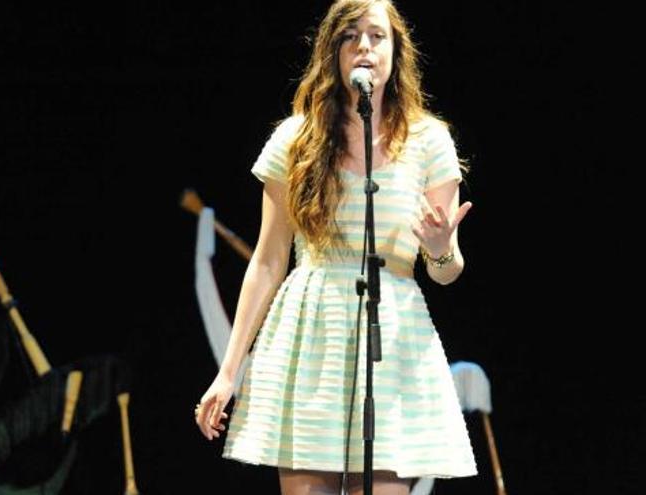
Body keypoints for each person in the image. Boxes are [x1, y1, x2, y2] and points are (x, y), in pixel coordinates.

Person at [194, 0, 477, 493]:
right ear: (332, 52)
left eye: (376, 35)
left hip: (393, 335)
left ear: (396, 51)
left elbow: (447, 270)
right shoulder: (294, 139)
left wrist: (438, 247)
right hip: (312, 333)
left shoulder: (430, 141)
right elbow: (267, 260)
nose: (363, 46)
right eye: (350, 36)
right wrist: (229, 372)